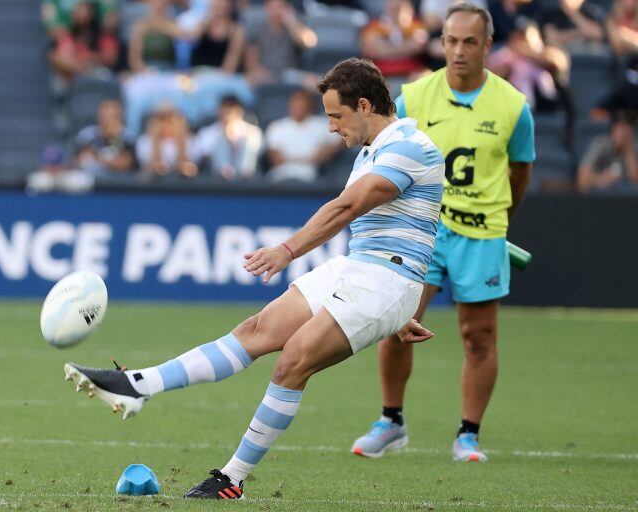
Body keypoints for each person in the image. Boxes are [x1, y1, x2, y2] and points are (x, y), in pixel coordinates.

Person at [63, 57, 444, 499]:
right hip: (361, 270)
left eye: (335, 116)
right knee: (256, 330)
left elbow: (346, 209)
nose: (331, 128)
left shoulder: (409, 145)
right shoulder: (371, 151)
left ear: (364, 105)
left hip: (385, 280)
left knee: (294, 359)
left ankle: (232, 479)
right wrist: (389, 314)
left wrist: (288, 252)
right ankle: (138, 386)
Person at [351, 3, 535, 463]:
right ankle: (390, 421)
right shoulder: (414, 97)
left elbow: (520, 172)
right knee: (396, 323)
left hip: (481, 234)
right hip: (422, 231)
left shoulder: (514, 106)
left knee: (478, 336)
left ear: (487, 46)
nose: (457, 51)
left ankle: (468, 434)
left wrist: (498, 218)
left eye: (469, 42)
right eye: (450, 41)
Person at [264, 88, 344, 182]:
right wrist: (307, 159)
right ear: (290, 104)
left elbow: (343, 140)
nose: (299, 105)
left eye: (303, 102)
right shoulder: (276, 127)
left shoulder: (322, 125)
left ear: (310, 104)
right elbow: (276, 158)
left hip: (312, 174)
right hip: (281, 173)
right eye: (296, 101)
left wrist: (328, 150)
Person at [194, 95, 263, 180]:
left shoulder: (253, 131)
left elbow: (258, 154)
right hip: (216, 180)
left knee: (247, 141)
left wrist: (235, 142)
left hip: (247, 179)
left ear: (241, 111)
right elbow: (202, 158)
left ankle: (241, 177)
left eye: (232, 109)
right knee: (220, 142)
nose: (228, 113)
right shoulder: (206, 133)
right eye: (225, 108)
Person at [576, 111, 638, 193]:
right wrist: (603, 179)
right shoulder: (601, 144)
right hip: (602, 198)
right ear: (613, 129)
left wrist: (629, 151)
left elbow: (636, 181)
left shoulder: (635, 147)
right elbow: (582, 180)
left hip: (627, 199)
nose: (623, 133)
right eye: (620, 127)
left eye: (626, 128)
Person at [75, 100, 135, 176]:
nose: (109, 121)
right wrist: (109, 162)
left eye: (113, 117)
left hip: (121, 182)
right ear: (99, 117)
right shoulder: (88, 135)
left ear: (120, 118)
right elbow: (80, 160)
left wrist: (116, 136)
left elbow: (125, 164)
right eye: (106, 117)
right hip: (93, 181)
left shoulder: (127, 136)